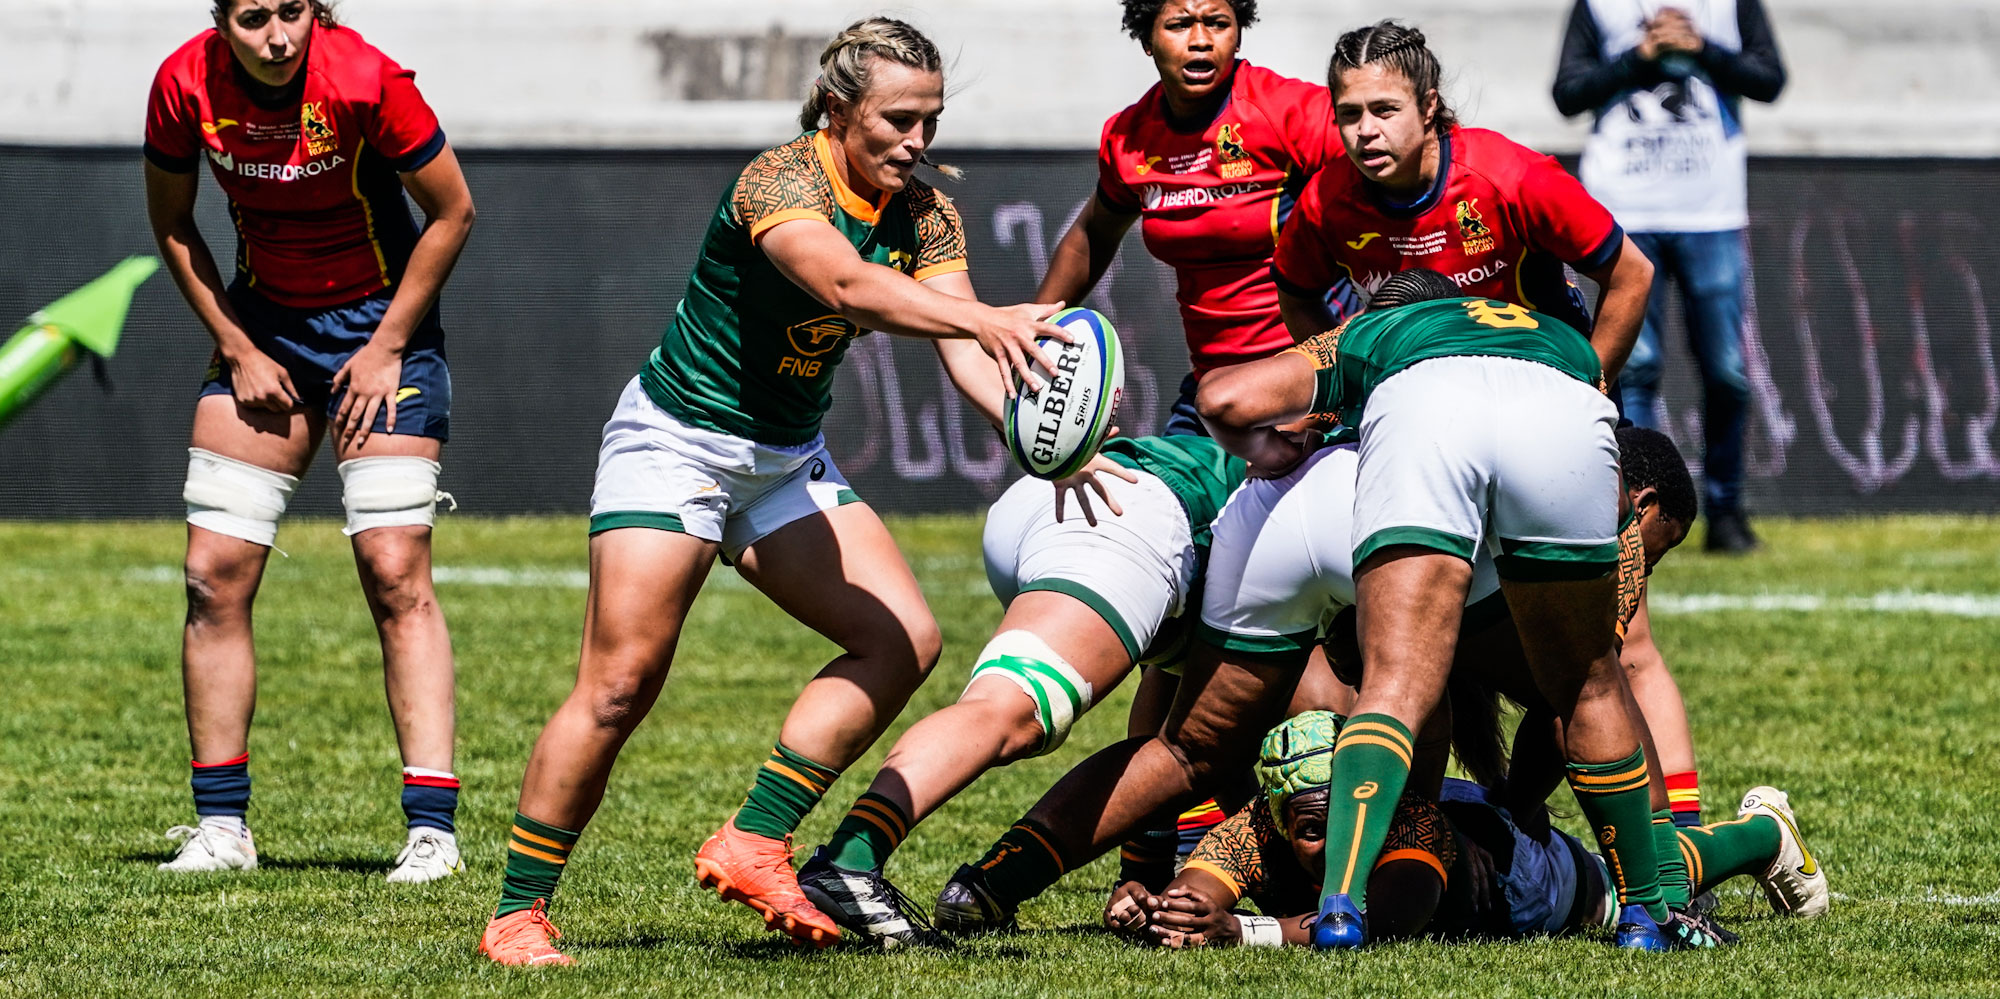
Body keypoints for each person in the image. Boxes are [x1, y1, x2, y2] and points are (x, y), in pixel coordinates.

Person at [474, 18, 1072, 967]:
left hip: (784, 456)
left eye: (931, 120)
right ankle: (517, 913)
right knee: (619, 685)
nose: (917, 141)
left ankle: (754, 840)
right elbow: (846, 286)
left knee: (903, 640)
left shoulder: (925, 212)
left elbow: (965, 345)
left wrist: (1048, 442)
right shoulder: (781, 181)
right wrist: (982, 318)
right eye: (899, 120)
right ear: (838, 108)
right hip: (675, 444)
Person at [1209, 268, 1702, 950]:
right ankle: (1649, 915)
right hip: (1563, 411)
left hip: (1412, 430)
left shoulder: (1377, 333)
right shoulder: (1551, 334)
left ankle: (1340, 908)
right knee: (1590, 685)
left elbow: (1225, 399)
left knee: (1394, 683)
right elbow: (1612, 485)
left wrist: (1281, 443)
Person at [143, 0, 476, 883]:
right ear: (220, 20)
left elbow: (453, 212)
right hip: (265, 330)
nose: (277, 36)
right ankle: (222, 826)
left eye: (292, 10)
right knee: (212, 571)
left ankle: (433, 832)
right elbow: (173, 223)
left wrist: (388, 346)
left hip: (384, 330)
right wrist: (238, 346)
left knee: (394, 569)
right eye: (254, 17)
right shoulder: (183, 84)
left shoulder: (367, 79)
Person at [790, 433, 1245, 947]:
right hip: (1119, 514)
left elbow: (1169, 728)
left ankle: (954, 881)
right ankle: (850, 860)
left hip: (1077, 504)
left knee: (1040, 709)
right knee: (1010, 708)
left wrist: (1146, 871)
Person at [1271, 21, 1654, 387]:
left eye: (1385, 109)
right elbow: (1296, 298)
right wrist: (1348, 383)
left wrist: (1589, 391)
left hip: (1544, 379)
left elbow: (1632, 274)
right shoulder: (1325, 200)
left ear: (1428, 106)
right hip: (1415, 398)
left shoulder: (1513, 177)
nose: (1366, 130)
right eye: (1349, 114)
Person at [1040, 0, 1355, 440]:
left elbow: (1398, 190)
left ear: (1238, 35)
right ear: (1147, 39)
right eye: (1180, 24)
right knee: (1134, 483)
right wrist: (1035, 337)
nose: (1201, 40)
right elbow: (1091, 235)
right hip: (1212, 389)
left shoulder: (1292, 112)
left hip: (1313, 382)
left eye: (1217, 23)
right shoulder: (1129, 138)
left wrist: (1362, 344)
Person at [1554, 0, 1787, 553]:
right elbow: (1568, 94)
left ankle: (1726, 513)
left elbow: (1770, 80)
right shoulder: (1600, 6)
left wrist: (1701, 49)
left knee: (1727, 372)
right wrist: (1641, 56)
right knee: (1635, 370)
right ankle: (1641, 515)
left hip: (1711, 214)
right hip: (1624, 212)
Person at [1106, 712, 1620, 947]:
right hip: (1452, 812)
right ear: (1278, 822)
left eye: (1349, 818)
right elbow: (1193, 901)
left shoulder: (1410, 826)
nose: (1342, 843)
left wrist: (1245, 930)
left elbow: (1384, 921)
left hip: (1518, 871)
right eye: (1314, 829)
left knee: (1600, 891)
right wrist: (1151, 908)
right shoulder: (1254, 826)